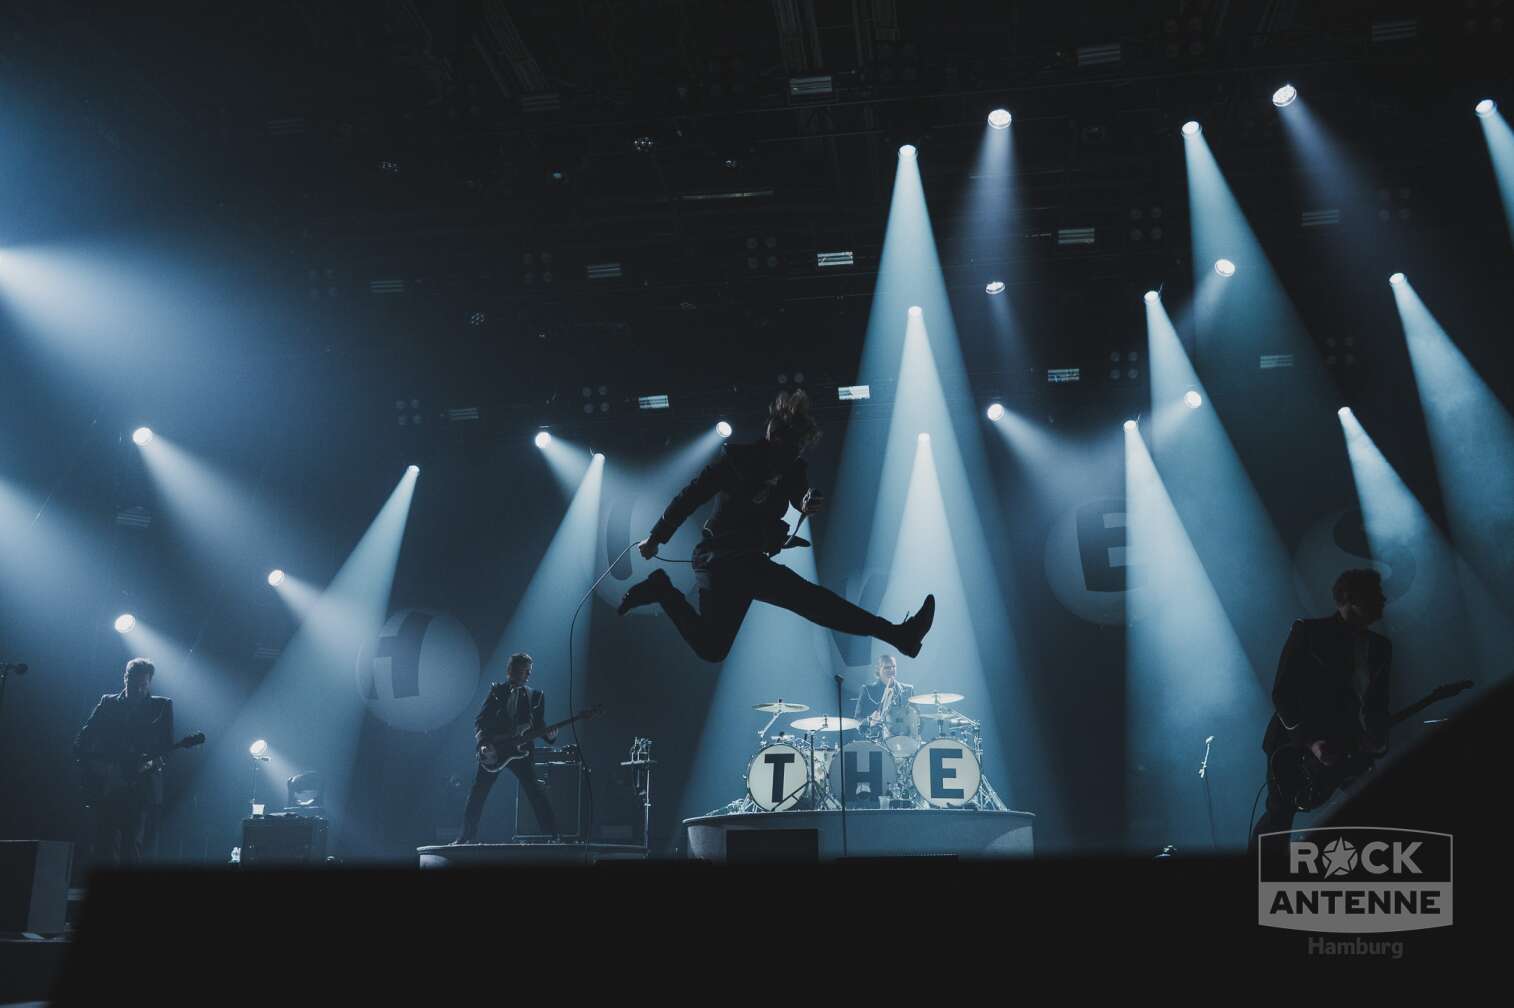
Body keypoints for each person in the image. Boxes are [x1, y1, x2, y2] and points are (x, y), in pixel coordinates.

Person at [616, 389, 935, 662]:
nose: (795, 455)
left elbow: (800, 495)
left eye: (799, 449)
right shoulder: (735, 461)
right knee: (807, 606)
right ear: (775, 437)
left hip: (749, 563)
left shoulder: (793, 469)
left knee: (720, 646)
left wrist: (807, 502)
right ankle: (899, 636)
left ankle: (900, 636)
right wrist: (656, 538)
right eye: (792, 447)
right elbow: (689, 498)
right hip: (718, 559)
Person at [1252, 569, 1391, 846]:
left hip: (1348, 743)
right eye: (1375, 594)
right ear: (1351, 599)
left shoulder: (1381, 648)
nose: (1383, 600)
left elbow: (1377, 703)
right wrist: (1311, 741)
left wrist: (1378, 740)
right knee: (1279, 817)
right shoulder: (1308, 632)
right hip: (1292, 746)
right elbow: (1283, 693)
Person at [74, 657, 173, 865]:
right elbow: (82, 741)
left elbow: (166, 748)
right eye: (134, 684)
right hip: (107, 786)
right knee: (104, 847)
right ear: (125, 678)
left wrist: (149, 764)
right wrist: (101, 769)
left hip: (140, 787)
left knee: (131, 846)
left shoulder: (161, 706)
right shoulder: (108, 703)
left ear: (149, 683)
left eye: (144, 685)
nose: (139, 690)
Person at [455, 653, 560, 843]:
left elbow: (539, 725)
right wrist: (484, 744)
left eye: (529, 671)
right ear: (511, 670)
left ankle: (553, 837)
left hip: (521, 752)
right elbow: (480, 721)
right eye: (524, 670)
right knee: (478, 792)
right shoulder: (497, 692)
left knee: (535, 792)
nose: (527, 675)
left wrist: (550, 736)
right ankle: (465, 837)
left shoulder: (536, 696)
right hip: (496, 750)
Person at [853, 654, 918, 742]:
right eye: (887, 667)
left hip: (904, 739)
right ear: (878, 670)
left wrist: (914, 733)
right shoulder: (867, 690)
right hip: (877, 741)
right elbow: (857, 720)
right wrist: (869, 720)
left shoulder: (908, 690)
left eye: (894, 667)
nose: (891, 670)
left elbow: (918, 717)